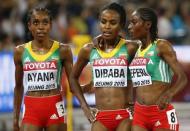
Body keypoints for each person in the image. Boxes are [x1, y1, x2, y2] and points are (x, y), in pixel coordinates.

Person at [69, 2, 139, 131]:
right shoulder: (89, 50)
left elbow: (151, 58)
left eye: (113, 23)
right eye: (103, 21)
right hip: (100, 117)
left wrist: (140, 104)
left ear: (121, 25)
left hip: (124, 115)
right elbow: (72, 79)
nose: (107, 26)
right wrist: (85, 107)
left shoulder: (131, 48)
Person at [13, 6, 73, 131]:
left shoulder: (64, 50)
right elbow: (18, 87)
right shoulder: (20, 51)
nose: (40, 27)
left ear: (51, 25)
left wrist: (85, 106)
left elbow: (73, 83)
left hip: (55, 106)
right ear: (29, 26)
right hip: (31, 109)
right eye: (36, 22)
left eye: (45, 22)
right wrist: (15, 120)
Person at [128, 7, 188, 131]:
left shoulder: (162, 46)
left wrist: (169, 93)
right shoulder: (136, 49)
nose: (129, 27)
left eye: (134, 22)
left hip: (161, 112)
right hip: (140, 113)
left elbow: (183, 78)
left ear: (148, 24)